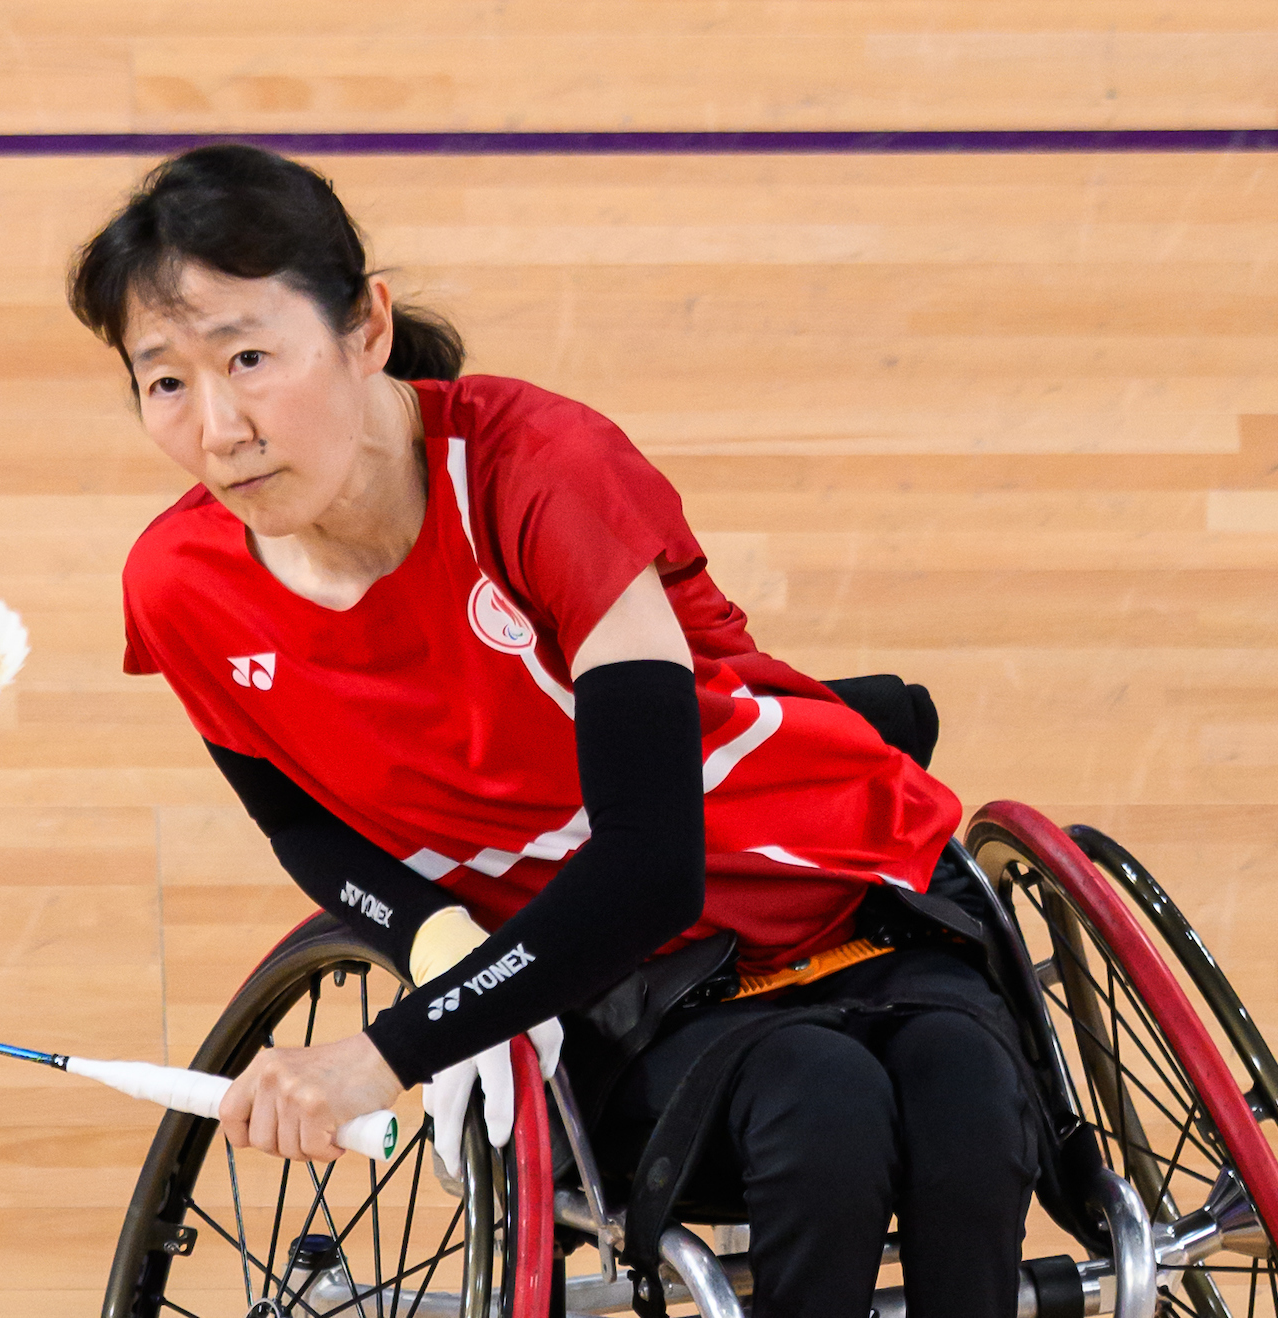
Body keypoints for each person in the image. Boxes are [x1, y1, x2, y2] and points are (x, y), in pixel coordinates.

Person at [68, 143, 1037, 1318]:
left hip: (837, 886)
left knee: (967, 1105)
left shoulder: (540, 472)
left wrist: (386, 1051)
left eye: (252, 357)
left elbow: (645, 865)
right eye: (164, 382)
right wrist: (429, 935)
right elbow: (294, 818)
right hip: (630, 989)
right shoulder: (183, 587)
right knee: (820, 1107)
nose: (218, 427)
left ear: (366, 328)